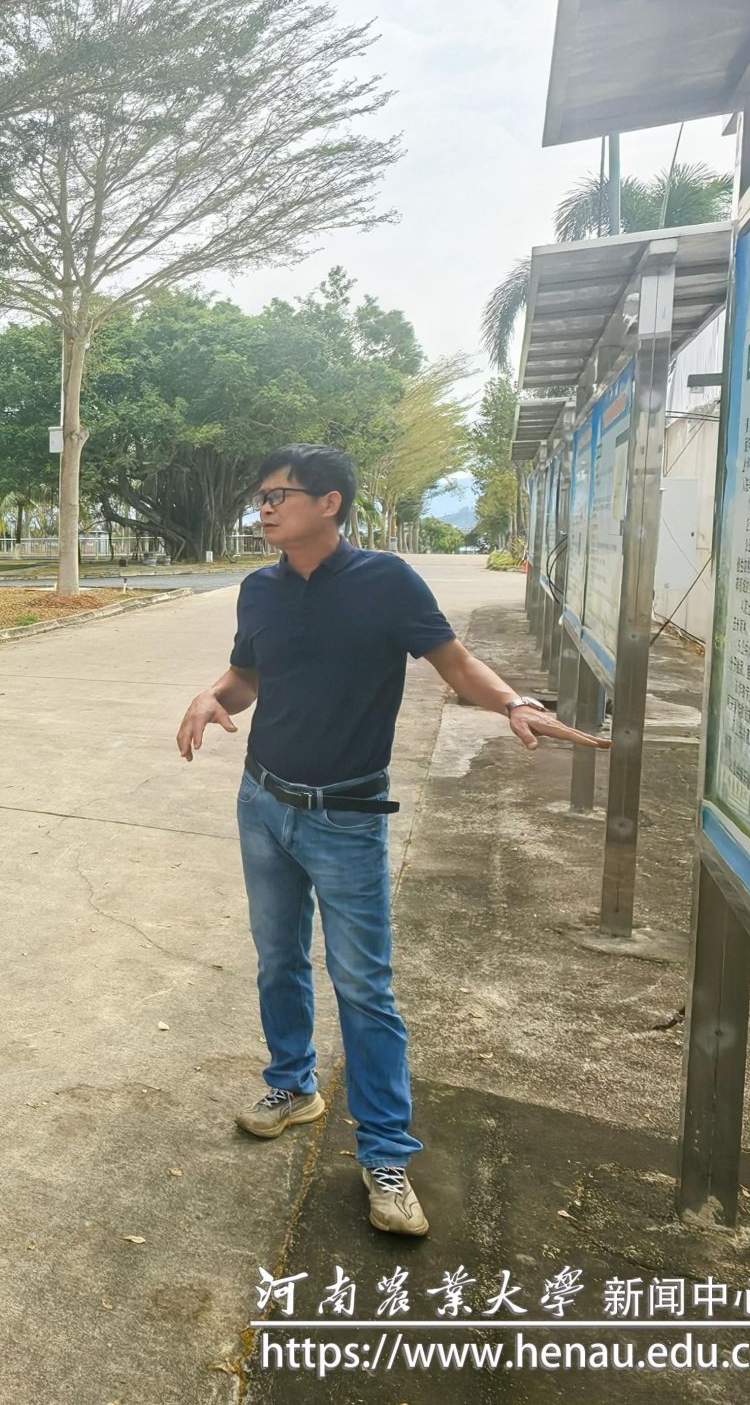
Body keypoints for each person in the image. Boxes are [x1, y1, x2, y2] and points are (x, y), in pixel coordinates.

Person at [174, 445, 604, 1237]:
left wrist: (513, 703)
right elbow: (251, 676)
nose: (263, 509)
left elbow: (456, 665)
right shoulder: (260, 588)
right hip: (263, 803)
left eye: (278, 495)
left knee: (364, 987)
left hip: (347, 815)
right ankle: (293, 1086)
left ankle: (383, 1152)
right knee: (277, 958)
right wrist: (211, 695)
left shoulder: (388, 582)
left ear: (329, 502)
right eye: (260, 497)